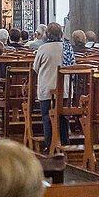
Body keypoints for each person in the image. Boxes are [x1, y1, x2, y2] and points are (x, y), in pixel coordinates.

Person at [33, 22, 70, 151]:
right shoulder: (67, 47)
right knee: (63, 117)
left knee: (47, 117)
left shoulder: (43, 48)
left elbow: (35, 68)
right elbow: (72, 66)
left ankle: (50, 146)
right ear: (61, 33)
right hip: (64, 89)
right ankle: (65, 144)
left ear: (47, 34)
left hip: (47, 88)